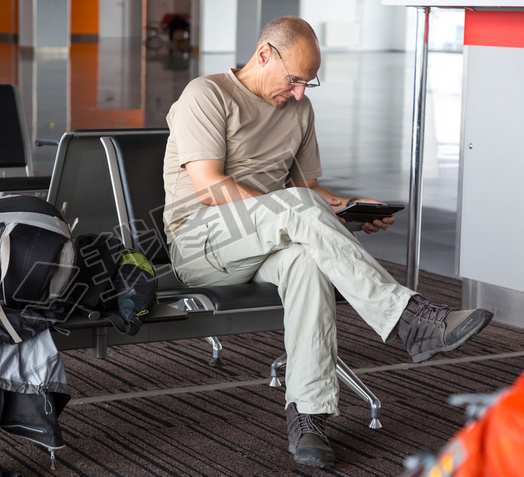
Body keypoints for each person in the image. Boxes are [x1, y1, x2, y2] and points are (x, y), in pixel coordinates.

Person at [162, 16, 494, 469]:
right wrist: (299, 207)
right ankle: (410, 318)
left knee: (307, 262)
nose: (299, 92)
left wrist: (348, 207)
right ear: (264, 55)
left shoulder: (298, 109)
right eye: (294, 79)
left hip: (270, 239)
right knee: (295, 213)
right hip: (202, 240)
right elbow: (209, 187)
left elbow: (308, 190)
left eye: (308, 83)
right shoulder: (206, 95)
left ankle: (308, 415)